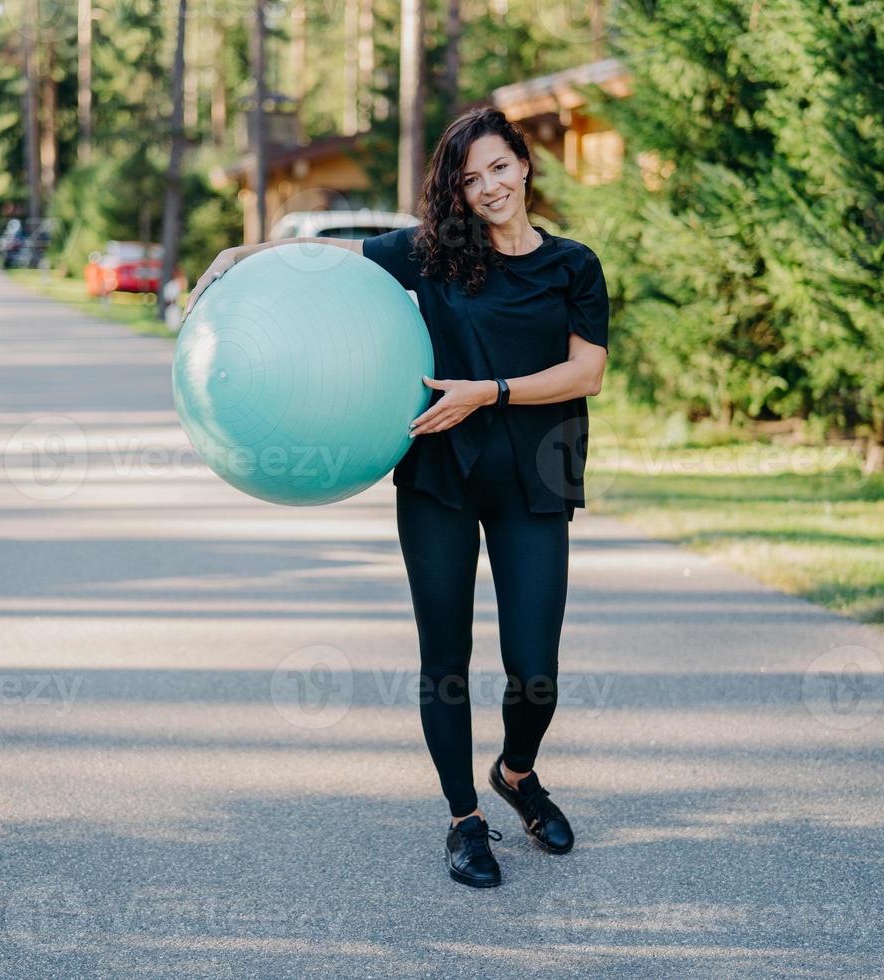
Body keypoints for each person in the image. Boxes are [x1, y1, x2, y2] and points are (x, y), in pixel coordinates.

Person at [184, 106, 610, 888]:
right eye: (471, 177)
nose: (489, 187)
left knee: (535, 669)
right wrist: (241, 253)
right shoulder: (436, 254)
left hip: (537, 478)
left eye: (499, 167)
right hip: (440, 478)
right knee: (446, 660)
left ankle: (516, 775)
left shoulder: (573, 264)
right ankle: (463, 822)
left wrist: (491, 391)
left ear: (524, 163)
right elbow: (330, 257)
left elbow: (587, 373)